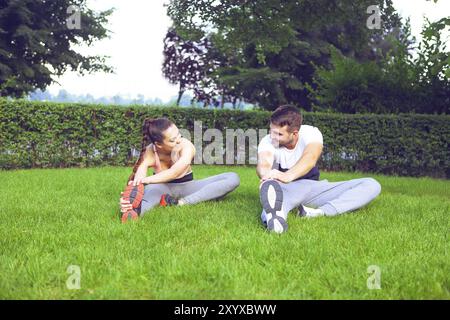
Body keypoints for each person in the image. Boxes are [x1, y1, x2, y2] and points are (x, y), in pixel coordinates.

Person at [257, 105, 381, 233]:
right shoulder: (267, 141)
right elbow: (264, 163)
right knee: (275, 200)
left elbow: (310, 157)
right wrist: (267, 176)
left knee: (371, 184)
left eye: (278, 134)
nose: (272, 136)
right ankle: (276, 220)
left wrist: (287, 176)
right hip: (285, 189)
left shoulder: (310, 133)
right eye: (271, 130)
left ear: (294, 133)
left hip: (312, 189)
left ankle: (317, 213)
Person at [119, 117, 240, 222]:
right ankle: (131, 211)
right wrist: (131, 195)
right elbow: (139, 177)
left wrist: (146, 180)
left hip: (188, 186)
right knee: (145, 200)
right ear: (159, 144)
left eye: (179, 134)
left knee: (232, 177)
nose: (178, 140)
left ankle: (180, 203)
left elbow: (175, 172)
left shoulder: (186, 145)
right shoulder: (150, 151)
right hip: (160, 188)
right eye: (172, 140)